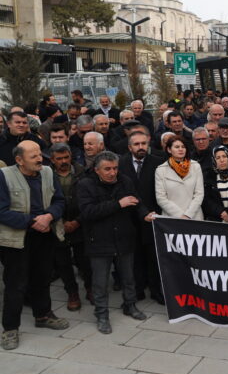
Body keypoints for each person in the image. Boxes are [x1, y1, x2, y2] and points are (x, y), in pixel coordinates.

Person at [0, 141, 69, 350]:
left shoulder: (48, 172)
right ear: (19, 160)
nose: (40, 159)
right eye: (34, 157)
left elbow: (59, 201)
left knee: (42, 278)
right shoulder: (4, 176)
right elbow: (2, 211)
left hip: (45, 235)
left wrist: (49, 217)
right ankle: (10, 328)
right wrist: (32, 222)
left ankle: (43, 315)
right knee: (16, 284)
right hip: (17, 240)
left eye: (40, 154)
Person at [77, 151, 154, 334]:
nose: (112, 173)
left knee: (128, 277)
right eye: (107, 169)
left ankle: (130, 305)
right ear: (97, 170)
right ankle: (102, 314)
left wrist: (145, 214)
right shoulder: (85, 185)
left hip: (124, 237)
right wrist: (118, 204)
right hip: (99, 241)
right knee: (100, 282)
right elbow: (88, 212)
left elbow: (136, 201)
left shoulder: (125, 181)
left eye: (115, 168)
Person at [118, 130, 165, 303]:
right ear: (129, 147)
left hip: (152, 216)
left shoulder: (158, 163)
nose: (141, 147)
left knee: (153, 256)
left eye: (143, 143)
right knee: (134, 256)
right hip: (129, 217)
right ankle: (137, 290)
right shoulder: (120, 163)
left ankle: (156, 290)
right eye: (136, 144)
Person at [48, 143, 90, 311]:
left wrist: (77, 221)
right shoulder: (46, 175)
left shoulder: (83, 172)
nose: (63, 161)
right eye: (59, 159)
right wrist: (61, 222)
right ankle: (72, 293)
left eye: (66, 157)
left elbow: (89, 199)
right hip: (57, 225)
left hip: (81, 223)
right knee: (63, 263)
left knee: (84, 260)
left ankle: (90, 288)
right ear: (52, 159)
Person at [155, 136, 204, 220]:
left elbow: (199, 194)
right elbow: (161, 198)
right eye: (177, 147)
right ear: (169, 150)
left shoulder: (195, 166)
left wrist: (188, 215)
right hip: (171, 218)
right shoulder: (161, 170)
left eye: (183, 147)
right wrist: (180, 216)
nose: (181, 149)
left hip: (194, 217)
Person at [202, 146, 228, 223]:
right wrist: (221, 212)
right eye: (218, 158)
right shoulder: (208, 177)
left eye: (224, 156)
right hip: (216, 220)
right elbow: (207, 200)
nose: (222, 160)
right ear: (214, 161)